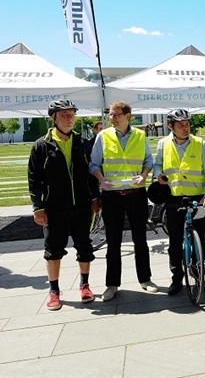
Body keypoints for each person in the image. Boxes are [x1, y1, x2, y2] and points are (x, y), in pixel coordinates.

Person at [28, 100, 101, 310]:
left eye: (72, 114)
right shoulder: (41, 145)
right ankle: (54, 291)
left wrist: (95, 197)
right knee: (53, 251)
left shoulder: (83, 142)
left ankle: (85, 285)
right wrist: (38, 207)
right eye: (64, 114)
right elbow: (34, 180)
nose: (69, 118)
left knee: (85, 247)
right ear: (54, 118)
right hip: (54, 208)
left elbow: (91, 174)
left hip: (81, 206)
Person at [89, 101, 156, 301]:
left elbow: (149, 161)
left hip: (136, 194)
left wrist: (144, 175)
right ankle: (112, 284)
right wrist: (101, 180)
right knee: (113, 241)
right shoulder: (103, 136)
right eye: (110, 114)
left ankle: (145, 280)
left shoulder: (139, 135)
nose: (112, 118)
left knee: (140, 240)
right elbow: (93, 164)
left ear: (128, 116)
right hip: (112, 196)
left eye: (116, 114)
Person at [153, 109, 205, 295]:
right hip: (173, 198)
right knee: (174, 242)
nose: (185, 127)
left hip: (197, 199)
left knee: (200, 239)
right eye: (180, 124)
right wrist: (159, 174)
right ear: (171, 126)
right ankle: (176, 278)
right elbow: (158, 164)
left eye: (187, 124)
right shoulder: (162, 144)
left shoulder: (201, 144)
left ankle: (199, 275)